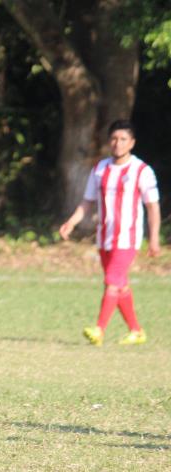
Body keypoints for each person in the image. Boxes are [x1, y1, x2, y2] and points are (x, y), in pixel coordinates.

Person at [59, 119, 161, 346]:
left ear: (132, 143)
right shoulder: (100, 169)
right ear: (109, 141)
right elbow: (87, 201)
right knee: (118, 285)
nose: (118, 143)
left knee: (112, 280)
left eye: (123, 139)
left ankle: (99, 330)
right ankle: (136, 331)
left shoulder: (141, 171)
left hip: (128, 237)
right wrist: (72, 222)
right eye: (114, 138)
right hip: (104, 237)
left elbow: (153, 206)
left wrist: (154, 238)